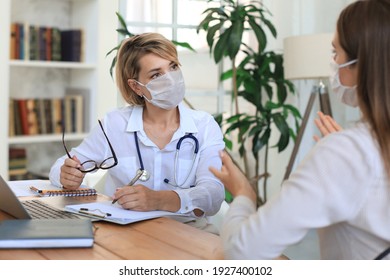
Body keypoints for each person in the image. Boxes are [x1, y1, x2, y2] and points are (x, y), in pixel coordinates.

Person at [209, 0, 390, 259]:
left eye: (335, 53)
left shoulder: (347, 153)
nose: (332, 63)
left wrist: (243, 196)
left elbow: (243, 252)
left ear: (360, 66)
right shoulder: (355, 150)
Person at [49, 33, 225, 229]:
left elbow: (213, 194)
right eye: (156, 74)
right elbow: (60, 167)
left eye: (173, 67)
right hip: (126, 233)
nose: (171, 79)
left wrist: (158, 200)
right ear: (136, 86)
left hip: (189, 232)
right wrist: (67, 176)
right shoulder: (114, 124)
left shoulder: (205, 126)